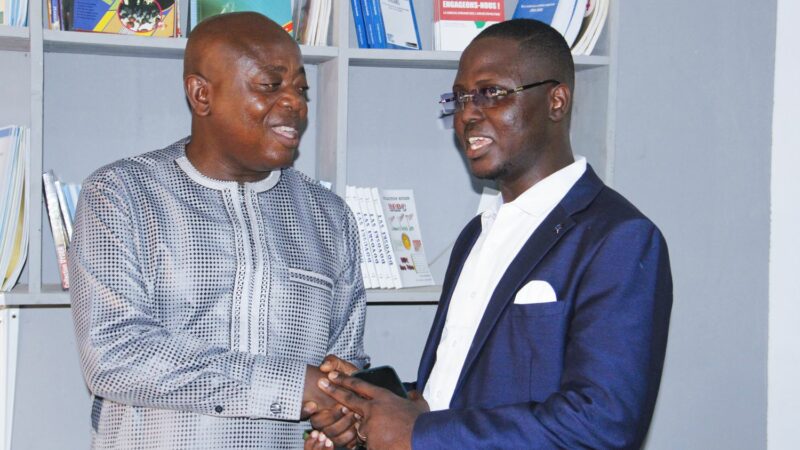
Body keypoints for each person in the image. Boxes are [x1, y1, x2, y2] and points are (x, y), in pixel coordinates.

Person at [306, 19, 673, 450]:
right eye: (459, 98)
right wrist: (374, 403)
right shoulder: (476, 235)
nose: (467, 114)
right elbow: (457, 393)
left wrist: (417, 433)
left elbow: (602, 422)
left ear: (556, 100)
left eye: (492, 93)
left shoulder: (618, 238)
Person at [69, 12, 368, 449]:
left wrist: (342, 412)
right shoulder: (122, 194)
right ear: (201, 94)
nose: (295, 104)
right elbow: (113, 355)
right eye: (271, 85)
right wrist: (289, 388)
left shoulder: (329, 216)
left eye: (301, 89)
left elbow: (345, 361)